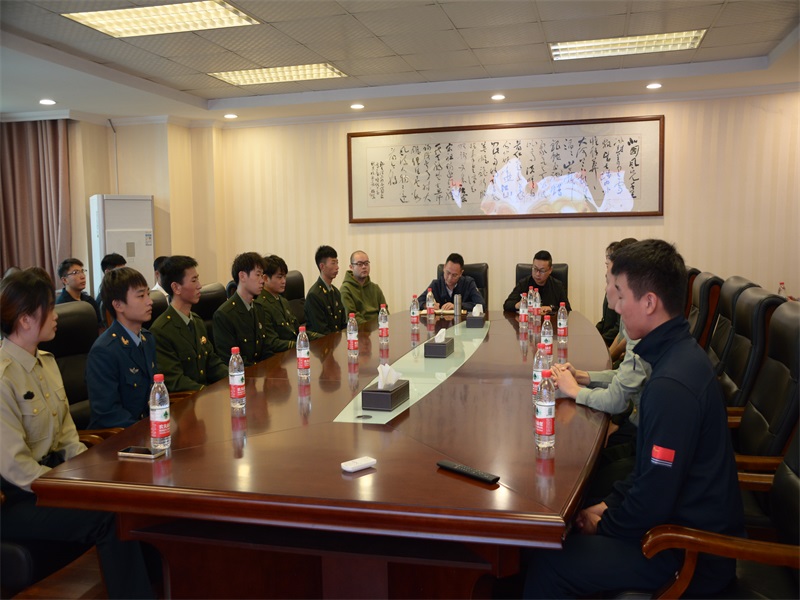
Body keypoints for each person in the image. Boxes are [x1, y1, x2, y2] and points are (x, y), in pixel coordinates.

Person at [525, 239, 744, 598]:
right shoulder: (676, 356)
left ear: (649, 302)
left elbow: (654, 496)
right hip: (672, 525)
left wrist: (604, 522)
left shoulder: (671, 386)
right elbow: (649, 473)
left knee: (550, 561)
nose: (613, 303)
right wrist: (606, 504)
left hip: (688, 551)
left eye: (619, 294)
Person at [0, 268, 155, 599]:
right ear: (26, 320)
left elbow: (69, 435)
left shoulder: (47, 361)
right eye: (50, 309)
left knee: (131, 494)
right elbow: (16, 467)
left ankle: (160, 586)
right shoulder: (3, 377)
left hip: (55, 480)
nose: (56, 316)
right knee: (108, 516)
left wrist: (91, 473)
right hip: (21, 497)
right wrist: (69, 488)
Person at [552, 237, 647, 501]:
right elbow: (625, 376)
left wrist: (575, 391)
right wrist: (584, 376)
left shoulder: (652, 343)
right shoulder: (654, 337)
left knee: (579, 476)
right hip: (639, 438)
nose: (607, 292)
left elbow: (618, 399)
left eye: (611, 282)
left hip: (640, 444)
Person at [86, 267, 156, 428]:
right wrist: (148, 431)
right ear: (118, 305)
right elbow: (108, 414)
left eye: (148, 294)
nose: (149, 301)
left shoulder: (147, 339)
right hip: (120, 439)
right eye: (141, 296)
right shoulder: (104, 350)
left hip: (148, 431)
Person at [149, 255, 227, 392]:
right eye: (194, 280)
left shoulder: (196, 321)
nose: (199, 286)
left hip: (204, 397)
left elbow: (212, 363)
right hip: (185, 404)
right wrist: (208, 392)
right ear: (176, 288)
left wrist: (236, 378)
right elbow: (176, 382)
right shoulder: (161, 330)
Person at [213, 252, 271, 366]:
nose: (262, 280)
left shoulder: (259, 309)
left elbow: (266, 349)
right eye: (258, 275)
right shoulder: (224, 315)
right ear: (242, 276)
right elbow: (231, 361)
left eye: (262, 275)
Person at [255, 255, 322, 353]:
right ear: (265, 278)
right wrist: (301, 345)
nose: (284, 281)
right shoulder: (261, 305)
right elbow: (272, 343)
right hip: (280, 358)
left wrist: (320, 337)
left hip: (294, 351)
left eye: (285, 276)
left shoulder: (283, 301)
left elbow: (297, 330)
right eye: (279, 277)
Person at [503, 250, 570, 314]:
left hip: (550, 324)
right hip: (528, 323)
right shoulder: (523, 283)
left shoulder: (558, 286)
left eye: (542, 270)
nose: (537, 274)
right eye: (535, 269)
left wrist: (551, 308)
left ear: (550, 270)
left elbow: (567, 309)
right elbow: (507, 305)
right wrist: (519, 305)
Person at [418, 253, 484, 312]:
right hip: (441, 324)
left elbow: (481, 305)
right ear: (444, 268)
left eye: (454, 275)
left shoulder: (468, 283)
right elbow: (417, 303)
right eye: (448, 273)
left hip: (463, 323)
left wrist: (458, 306)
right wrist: (426, 305)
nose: (449, 278)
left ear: (461, 273)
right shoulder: (436, 284)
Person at [305, 245, 348, 335]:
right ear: (322, 266)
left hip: (336, 342)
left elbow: (343, 324)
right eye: (333, 263)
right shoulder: (314, 295)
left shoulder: (335, 292)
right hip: (322, 345)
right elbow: (321, 330)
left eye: (337, 262)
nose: (337, 267)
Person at [340, 250, 388, 324]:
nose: (364, 267)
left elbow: (384, 311)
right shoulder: (346, 289)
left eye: (366, 263)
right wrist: (371, 329)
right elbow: (352, 317)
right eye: (359, 264)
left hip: (379, 328)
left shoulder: (375, 288)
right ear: (351, 267)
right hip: (360, 331)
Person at [55, 257, 104, 328]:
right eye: (76, 272)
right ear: (65, 280)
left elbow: (100, 326)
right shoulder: (61, 305)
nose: (82, 276)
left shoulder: (90, 300)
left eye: (82, 271)